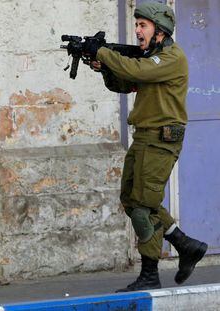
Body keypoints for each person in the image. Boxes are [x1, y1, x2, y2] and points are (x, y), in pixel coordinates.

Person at [88, 2, 208, 292]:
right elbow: (125, 83)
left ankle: (150, 275)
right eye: (137, 24)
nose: (138, 30)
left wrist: (102, 51)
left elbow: (137, 72)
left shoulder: (170, 58)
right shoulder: (150, 57)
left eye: (143, 25)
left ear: (160, 31)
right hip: (144, 136)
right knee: (131, 199)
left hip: (162, 138)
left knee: (143, 206)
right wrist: (103, 67)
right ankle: (184, 244)